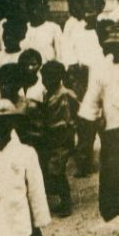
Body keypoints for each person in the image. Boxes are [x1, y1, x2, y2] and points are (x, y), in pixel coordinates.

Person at [79, 24, 119, 236]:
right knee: (114, 179)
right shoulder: (102, 68)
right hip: (110, 132)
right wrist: (90, 124)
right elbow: (91, 99)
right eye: (115, 45)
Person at [0, 98, 50, 236]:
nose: (1, 128)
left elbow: (36, 192)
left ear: (13, 124)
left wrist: (38, 223)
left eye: (6, 122)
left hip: (19, 225)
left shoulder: (26, 153)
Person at [37, 61, 77, 216]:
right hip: (52, 137)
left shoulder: (65, 94)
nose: (44, 81)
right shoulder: (49, 94)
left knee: (56, 170)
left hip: (62, 138)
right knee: (54, 170)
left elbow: (69, 119)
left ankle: (66, 203)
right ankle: (62, 200)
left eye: (48, 77)